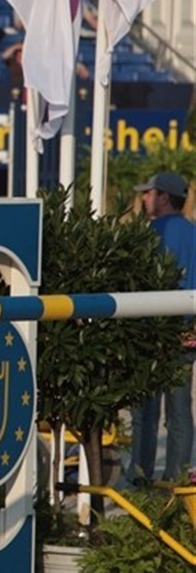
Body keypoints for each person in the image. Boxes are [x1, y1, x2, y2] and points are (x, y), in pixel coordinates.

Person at [129, 172, 195, 483]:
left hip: (153, 335)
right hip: (186, 337)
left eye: (149, 193)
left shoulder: (151, 234)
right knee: (180, 413)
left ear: (164, 197)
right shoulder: (193, 234)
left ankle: (140, 479)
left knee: (145, 413)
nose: (144, 198)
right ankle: (175, 483)